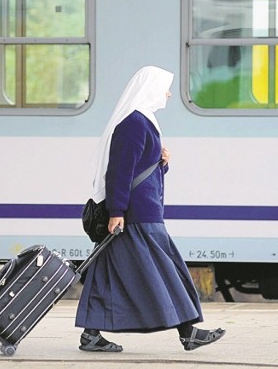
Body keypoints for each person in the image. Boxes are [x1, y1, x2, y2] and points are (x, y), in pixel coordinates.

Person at [75, 66, 225, 353]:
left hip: (140, 211)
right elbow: (119, 172)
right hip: (137, 215)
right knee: (166, 271)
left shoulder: (143, 121)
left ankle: (90, 334)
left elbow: (138, 171)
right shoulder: (134, 123)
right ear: (150, 89)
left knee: (106, 272)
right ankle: (188, 332)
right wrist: (117, 211)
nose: (168, 93)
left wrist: (161, 162)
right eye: (165, 87)